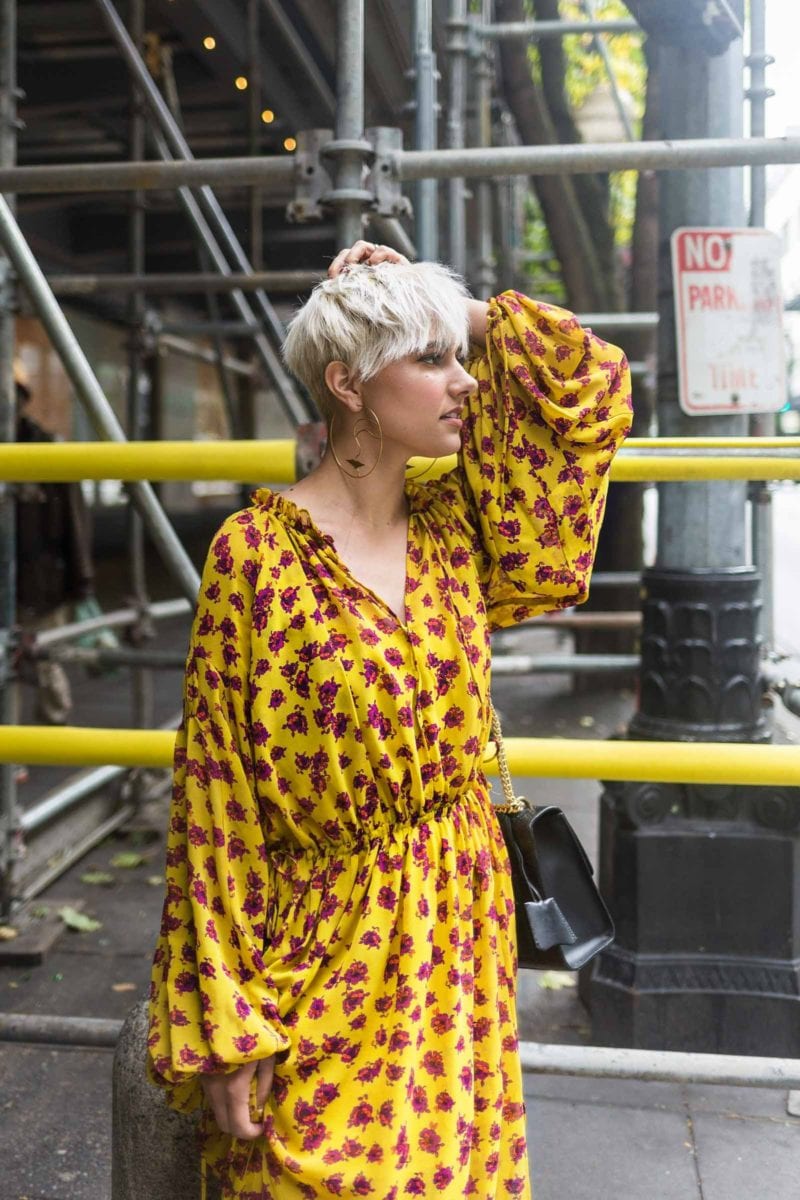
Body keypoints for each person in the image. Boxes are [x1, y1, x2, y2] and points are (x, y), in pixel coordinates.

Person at [146, 241, 632, 1199]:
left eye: (461, 357)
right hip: (326, 938)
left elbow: (594, 388)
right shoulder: (256, 560)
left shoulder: (460, 526)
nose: (465, 383)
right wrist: (228, 1021)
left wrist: (456, 308)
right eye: (432, 360)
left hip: (460, 921)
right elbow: (218, 806)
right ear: (350, 383)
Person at [14, 358, 95, 725]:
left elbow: (73, 521)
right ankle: (12, 755)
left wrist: (81, 584)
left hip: (41, 583)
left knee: (45, 662)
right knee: (8, 669)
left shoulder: (46, 450)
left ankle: (55, 732)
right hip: (14, 580)